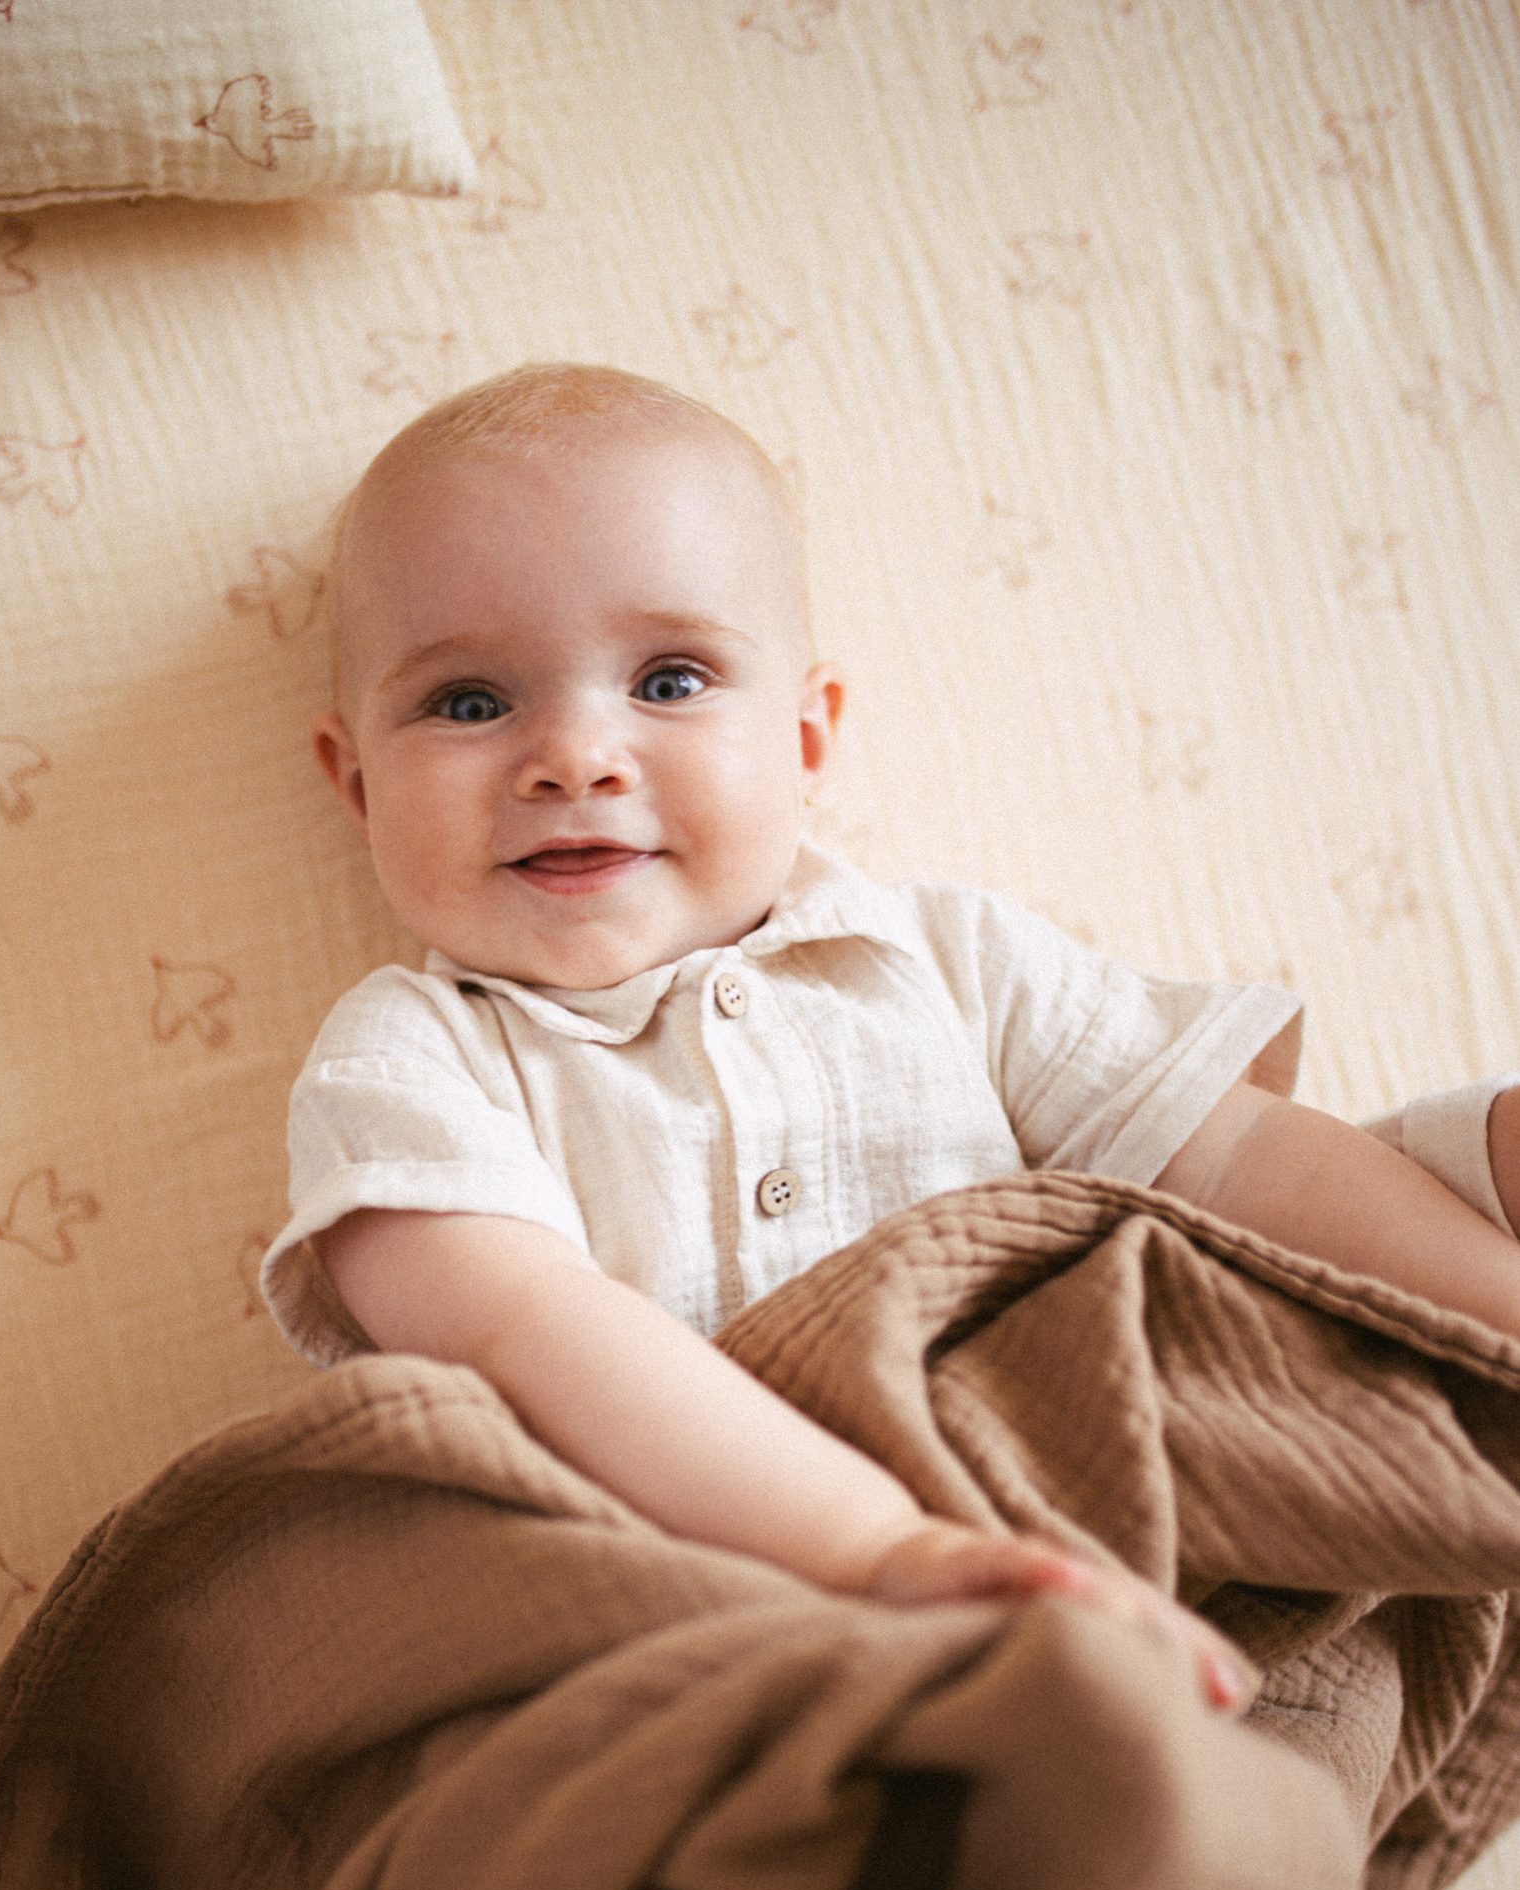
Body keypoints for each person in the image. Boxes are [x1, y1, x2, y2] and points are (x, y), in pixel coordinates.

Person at [261, 363, 1520, 1712]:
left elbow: (1225, 1164)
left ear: (808, 742)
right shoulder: (410, 1062)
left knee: (1268, 1275)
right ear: (355, 780)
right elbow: (524, 1334)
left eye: (670, 680)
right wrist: (882, 1550)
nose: (575, 755)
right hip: (735, 1599)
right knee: (1183, 1817)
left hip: (1110, 1482)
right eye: (467, 703)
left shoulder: (947, 961)